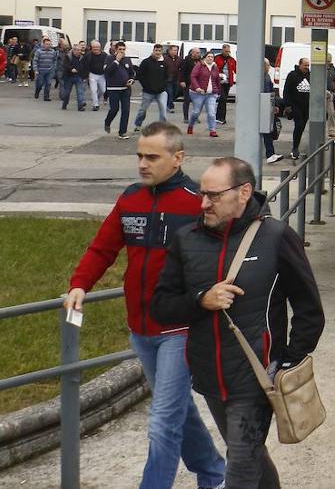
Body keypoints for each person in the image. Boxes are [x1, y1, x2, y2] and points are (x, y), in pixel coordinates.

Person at [64, 121, 226, 489]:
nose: (142, 164)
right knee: (178, 412)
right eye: (139, 155)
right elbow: (103, 248)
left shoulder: (197, 203)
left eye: (152, 157)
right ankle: (214, 472)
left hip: (180, 330)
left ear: (178, 158)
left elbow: (224, 255)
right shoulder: (130, 199)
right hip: (141, 330)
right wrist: (79, 285)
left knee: (163, 421)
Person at [151, 157, 325, 489]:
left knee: (241, 468)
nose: (204, 203)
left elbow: (309, 308)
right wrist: (202, 300)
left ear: (244, 192)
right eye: (202, 194)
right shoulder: (186, 239)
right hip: (209, 377)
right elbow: (161, 307)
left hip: (256, 379)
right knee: (250, 455)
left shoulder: (276, 237)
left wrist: (287, 360)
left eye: (213, 195)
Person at [103, 42, 137, 139]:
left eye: (123, 49)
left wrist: (132, 79)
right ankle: (107, 122)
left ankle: (122, 132)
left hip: (125, 89)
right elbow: (107, 71)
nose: (122, 51)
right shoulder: (109, 59)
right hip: (113, 89)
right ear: (115, 50)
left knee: (126, 110)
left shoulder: (127, 59)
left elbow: (132, 72)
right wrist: (116, 61)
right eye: (120, 49)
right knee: (114, 109)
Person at [282, 57, 312, 159]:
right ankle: (295, 148)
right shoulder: (292, 75)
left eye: (308, 65)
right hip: (296, 105)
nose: (307, 67)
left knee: (302, 126)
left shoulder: (310, 75)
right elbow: (286, 90)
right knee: (298, 125)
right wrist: (287, 105)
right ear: (300, 65)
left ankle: (296, 145)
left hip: (307, 107)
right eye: (305, 65)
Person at [134, 43, 169, 128]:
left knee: (163, 110)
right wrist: (146, 86)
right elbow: (139, 75)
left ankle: (162, 127)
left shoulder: (164, 63)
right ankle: (138, 125)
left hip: (161, 92)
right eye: (156, 50)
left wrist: (164, 86)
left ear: (162, 52)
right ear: (153, 51)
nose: (157, 52)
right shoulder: (146, 62)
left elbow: (167, 76)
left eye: (159, 51)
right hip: (148, 92)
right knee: (143, 110)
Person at [187, 53, 221, 138]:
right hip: (198, 93)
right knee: (196, 112)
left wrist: (218, 91)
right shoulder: (199, 65)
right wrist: (197, 87)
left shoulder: (215, 67)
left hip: (211, 94)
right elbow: (193, 76)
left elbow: (217, 79)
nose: (210, 58)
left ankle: (212, 130)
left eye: (212, 57)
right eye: (208, 57)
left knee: (211, 113)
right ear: (205, 58)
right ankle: (190, 125)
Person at [261, 59, 283, 164]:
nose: (269, 67)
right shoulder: (264, 77)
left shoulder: (266, 76)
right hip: (265, 107)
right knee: (267, 132)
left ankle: (271, 153)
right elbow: (267, 93)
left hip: (266, 106)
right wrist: (272, 106)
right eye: (268, 65)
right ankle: (270, 154)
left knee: (268, 132)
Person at [59, 41, 88, 111]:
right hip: (68, 77)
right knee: (67, 93)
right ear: (74, 50)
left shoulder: (82, 57)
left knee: (80, 92)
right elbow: (65, 65)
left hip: (78, 77)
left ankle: (80, 106)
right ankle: (65, 103)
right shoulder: (68, 56)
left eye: (80, 50)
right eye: (78, 50)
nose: (79, 51)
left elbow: (85, 67)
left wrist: (84, 77)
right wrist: (71, 69)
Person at [213, 44, 236, 124]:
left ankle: (221, 117)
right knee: (222, 98)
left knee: (224, 99)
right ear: (222, 50)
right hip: (219, 82)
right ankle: (220, 117)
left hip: (227, 83)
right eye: (226, 51)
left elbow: (236, 69)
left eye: (228, 51)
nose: (227, 53)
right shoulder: (217, 58)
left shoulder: (231, 60)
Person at [32, 36, 58, 100]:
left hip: (49, 70)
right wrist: (35, 70)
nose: (48, 45)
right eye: (46, 44)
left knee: (48, 84)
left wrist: (54, 68)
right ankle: (37, 91)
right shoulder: (39, 51)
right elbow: (35, 61)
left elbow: (55, 60)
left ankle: (46, 97)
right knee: (40, 84)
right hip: (40, 70)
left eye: (49, 44)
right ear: (43, 44)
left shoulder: (53, 51)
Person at [179, 47, 200, 123]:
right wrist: (182, 81)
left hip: (197, 84)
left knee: (197, 102)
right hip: (188, 83)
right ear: (192, 53)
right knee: (187, 100)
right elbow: (182, 72)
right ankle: (186, 118)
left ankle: (195, 116)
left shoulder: (199, 61)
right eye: (197, 53)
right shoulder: (186, 61)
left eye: (199, 53)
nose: (198, 54)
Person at [86, 39, 109, 109]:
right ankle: (95, 105)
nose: (95, 49)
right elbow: (85, 65)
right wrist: (85, 76)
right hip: (92, 74)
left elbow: (108, 64)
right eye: (94, 48)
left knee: (103, 90)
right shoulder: (88, 55)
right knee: (93, 90)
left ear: (100, 48)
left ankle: (97, 98)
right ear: (91, 48)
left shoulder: (105, 55)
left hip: (102, 75)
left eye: (97, 47)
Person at [164, 44, 182, 114]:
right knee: (170, 93)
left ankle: (168, 102)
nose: (175, 52)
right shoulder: (165, 58)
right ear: (170, 51)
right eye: (174, 50)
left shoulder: (179, 59)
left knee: (175, 92)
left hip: (176, 78)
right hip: (168, 79)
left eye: (176, 50)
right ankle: (170, 106)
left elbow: (181, 67)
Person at [323, 58, 335, 140]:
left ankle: (331, 131)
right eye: (327, 61)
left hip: (330, 93)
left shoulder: (332, 68)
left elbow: (334, 80)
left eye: (329, 61)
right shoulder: (320, 67)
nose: (328, 62)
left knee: (331, 112)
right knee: (321, 114)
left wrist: (334, 90)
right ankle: (320, 131)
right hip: (322, 92)